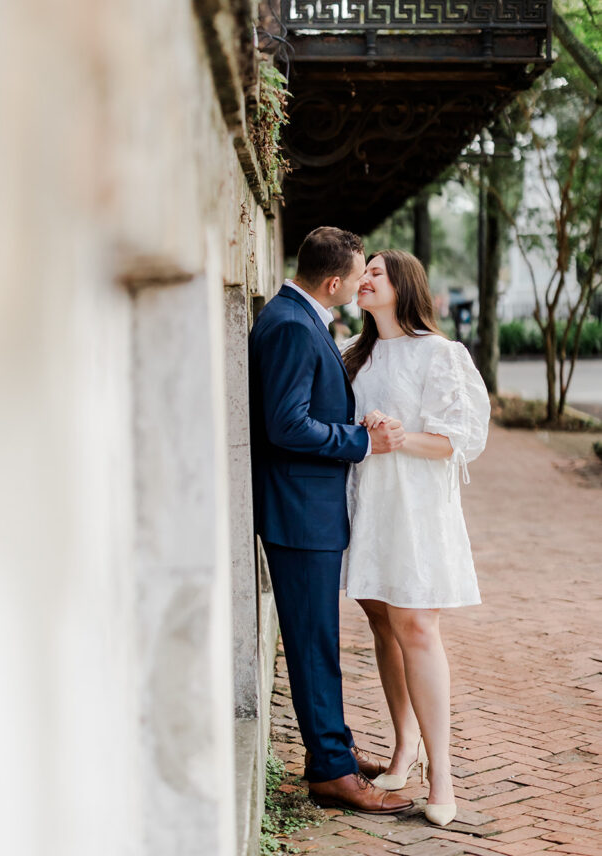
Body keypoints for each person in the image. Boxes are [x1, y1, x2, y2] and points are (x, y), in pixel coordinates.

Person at [249, 228, 413, 814]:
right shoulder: (293, 324)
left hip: (307, 511)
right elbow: (287, 424)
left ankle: (334, 749)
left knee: (319, 639)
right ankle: (331, 772)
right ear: (334, 282)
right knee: (314, 643)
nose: (363, 282)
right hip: (299, 514)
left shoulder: (296, 313)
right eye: (358, 273)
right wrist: (359, 442)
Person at [341, 250, 490, 827]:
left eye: (376, 272)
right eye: (363, 272)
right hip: (367, 504)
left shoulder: (441, 353)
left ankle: (442, 771)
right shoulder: (355, 355)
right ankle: (404, 747)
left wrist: (401, 437)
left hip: (416, 508)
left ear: (403, 284)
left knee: (418, 628)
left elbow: (459, 439)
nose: (366, 279)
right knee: (382, 621)